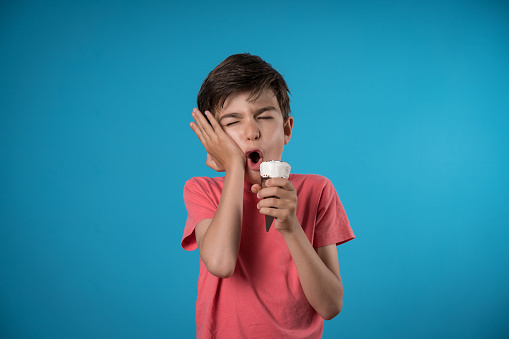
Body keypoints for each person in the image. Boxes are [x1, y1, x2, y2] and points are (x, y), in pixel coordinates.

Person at [182, 53, 354, 338]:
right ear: (213, 138)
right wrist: (234, 169)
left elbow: (331, 305)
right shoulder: (202, 190)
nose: (252, 132)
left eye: (264, 116)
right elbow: (221, 264)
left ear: (287, 129)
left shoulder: (318, 190)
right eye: (233, 122)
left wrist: (291, 226)